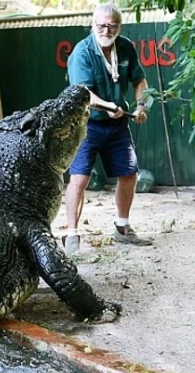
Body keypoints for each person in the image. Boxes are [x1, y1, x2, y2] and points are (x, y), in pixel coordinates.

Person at [63, 2, 152, 253]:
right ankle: (71, 235)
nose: (106, 30)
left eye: (111, 26)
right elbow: (83, 94)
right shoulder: (82, 52)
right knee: (79, 178)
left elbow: (140, 80)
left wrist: (142, 105)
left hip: (118, 124)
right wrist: (109, 106)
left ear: (119, 27)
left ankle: (122, 228)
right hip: (86, 125)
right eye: (101, 25)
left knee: (129, 173)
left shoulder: (125, 47)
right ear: (93, 25)